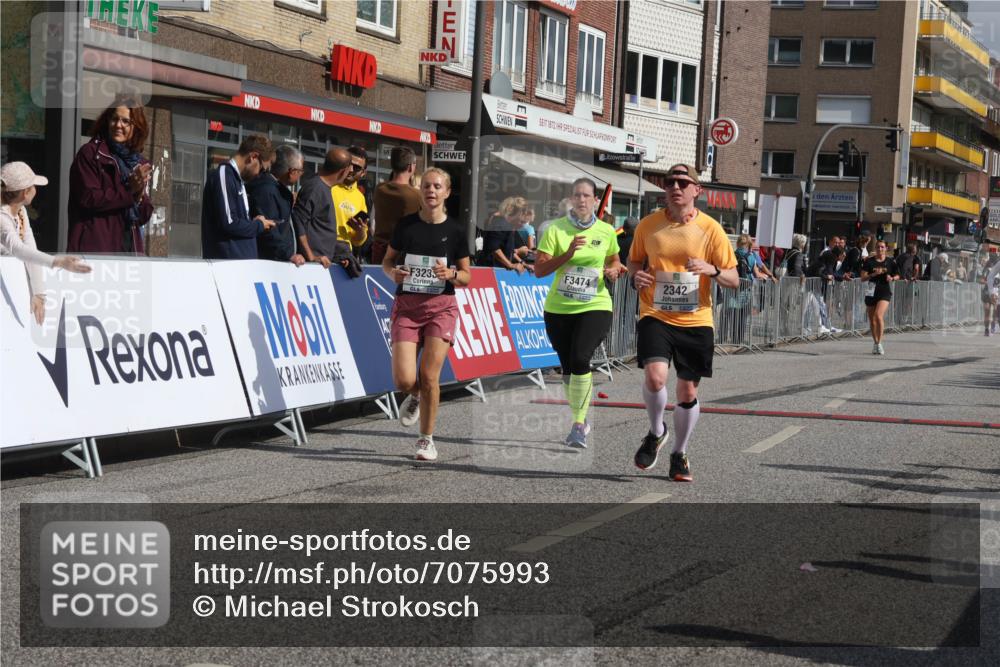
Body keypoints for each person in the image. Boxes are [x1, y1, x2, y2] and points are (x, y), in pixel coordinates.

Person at [628, 164, 738, 481]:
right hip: (655, 313)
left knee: (687, 391)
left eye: (682, 182)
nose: (675, 187)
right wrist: (637, 275)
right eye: (669, 182)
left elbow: (733, 278)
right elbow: (634, 260)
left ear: (696, 190)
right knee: (655, 377)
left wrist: (711, 270)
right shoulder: (648, 225)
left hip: (696, 319)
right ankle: (656, 431)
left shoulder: (711, 229)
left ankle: (679, 453)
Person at [382, 168, 471, 462]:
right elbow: (387, 262)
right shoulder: (406, 226)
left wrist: (452, 273)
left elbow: (467, 276)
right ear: (420, 192)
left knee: (430, 376)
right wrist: (392, 273)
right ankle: (415, 396)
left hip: (440, 308)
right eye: (426, 186)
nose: (431, 191)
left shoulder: (456, 230)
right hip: (407, 307)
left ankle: (426, 440)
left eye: (437, 186)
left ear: (446, 192)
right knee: (404, 380)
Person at [533, 177, 624, 448]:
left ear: (596, 201)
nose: (581, 200)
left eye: (586, 196)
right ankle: (580, 420)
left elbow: (615, 259)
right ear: (571, 200)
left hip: (595, 304)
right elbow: (540, 270)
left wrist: (615, 270)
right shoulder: (555, 230)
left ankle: (577, 425)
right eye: (577, 195)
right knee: (568, 367)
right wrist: (568, 254)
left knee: (581, 357)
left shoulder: (606, 231)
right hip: (559, 308)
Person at [1, 162, 91, 324]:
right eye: (34, 185)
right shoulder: (2, 216)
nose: (36, 189)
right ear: (25, 193)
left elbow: (29, 246)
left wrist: (38, 293)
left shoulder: (20, 210)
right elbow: (17, 249)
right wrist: (56, 261)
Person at [67, 95, 153, 255]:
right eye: (114, 119)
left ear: (136, 127)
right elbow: (88, 198)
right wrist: (129, 191)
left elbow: (142, 216)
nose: (118, 125)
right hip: (95, 249)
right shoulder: (90, 153)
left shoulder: (138, 162)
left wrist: (139, 195)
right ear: (107, 121)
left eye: (126, 121)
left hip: (129, 249)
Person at [201, 135, 276, 259]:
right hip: (228, 267)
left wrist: (254, 222)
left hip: (240, 266)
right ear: (253, 157)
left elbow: (232, 221)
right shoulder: (224, 175)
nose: (259, 175)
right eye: (262, 169)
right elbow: (229, 223)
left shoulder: (236, 179)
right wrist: (258, 225)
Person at [293, 147, 352, 268]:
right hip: (311, 266)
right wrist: (311, 256)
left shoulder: (324, 187)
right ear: (343, 171)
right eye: (349, 171)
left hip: (322, 263)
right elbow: (298, 222)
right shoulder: (314, 188)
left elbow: (321, 227)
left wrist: (336, 255)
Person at [247, 145, 305, 266]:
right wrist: (288, 254)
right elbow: (269, 230)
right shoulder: (267, 190)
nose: (301, 175)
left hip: (280, 261)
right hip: (271, 264)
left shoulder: (277, 190)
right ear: (292, 172)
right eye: (301, 171)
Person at [371, 147, 421, 265]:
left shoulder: (379, 189)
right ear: (411, 167)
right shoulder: (416, 195)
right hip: (403, 253)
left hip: (379, 251)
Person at [861, 240, 899, 355]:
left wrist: (892, 278)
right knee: (872, 320)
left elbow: (898, 275)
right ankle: (876, 343)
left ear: (886, 249)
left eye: (882, 247)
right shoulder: (869, 262)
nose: (880, 249)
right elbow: (862, 277)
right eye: (878, 247)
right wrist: (873, 274)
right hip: (871, 290)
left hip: (884, 291)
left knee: (878, 315)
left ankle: (880, 343)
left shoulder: (890, 262)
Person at [332, 146, 369, 253]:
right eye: (349, 164)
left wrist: (360, 231)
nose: (351, 169)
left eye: (356, 167)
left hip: (344, 254)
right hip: (321, 250)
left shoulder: (360, 198)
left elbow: (357, 241)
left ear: (363, 173)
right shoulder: (329, 185)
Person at [479, 196, 530, 273]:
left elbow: (509, 251)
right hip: (489, 271)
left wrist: (522, 263)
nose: (524, 221)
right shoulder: (500, 223)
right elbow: (494, 248)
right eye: (524, 215)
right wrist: (510, 265)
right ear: (519, 214)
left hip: (498, 271)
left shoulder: (509, 227)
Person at [981, 256, 1000, 336]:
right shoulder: (987, 270)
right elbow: (982, 280)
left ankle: (993, 326)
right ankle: (986, 329)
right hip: (987, 292)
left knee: (996, 311)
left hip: (996, 292)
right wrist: (990, 288)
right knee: (987, 310)